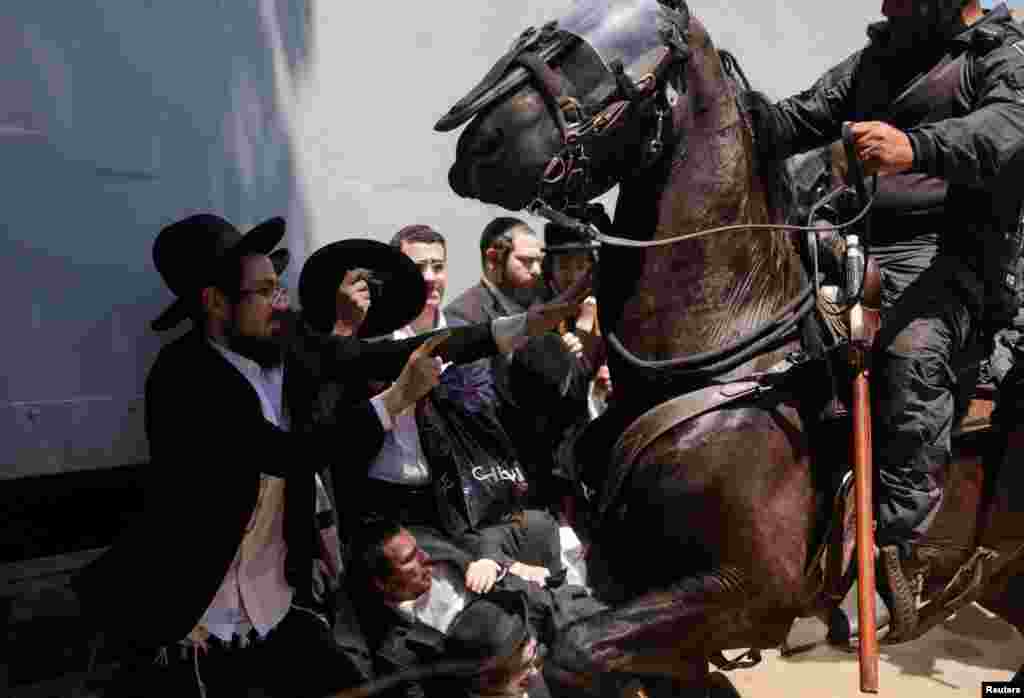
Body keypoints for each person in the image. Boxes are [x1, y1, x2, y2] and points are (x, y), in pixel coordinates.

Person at [75, 214, 436, 698]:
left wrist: (511, 328)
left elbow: (371, 359)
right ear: (216, 301)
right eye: (265, 290)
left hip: (273, 603)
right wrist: (394, 400)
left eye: (277, 285)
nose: (280, 300)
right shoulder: (187, 375)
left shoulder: (277, 353)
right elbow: (285, 453)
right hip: (198, 617)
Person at [752, 0, 1024, 633]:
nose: (883, 5)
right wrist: (713, 107)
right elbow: (797, 118)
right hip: (851, 244)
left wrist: (914, 146)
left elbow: (1010, 128)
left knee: (911, 354)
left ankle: (896, 554)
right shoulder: (881, 57)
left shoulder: (998, 57)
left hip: (950, 258)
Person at [293, 235, 590, 551]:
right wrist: (395, 395)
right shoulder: (308, 352)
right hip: (364, 514)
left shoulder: (385, 350)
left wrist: (528, 324)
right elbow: (329, 435)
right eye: (355, 282)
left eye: (438, 266)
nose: (430, 277)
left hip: (442, 500)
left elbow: (451, 344)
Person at [346, 520, 605, 698]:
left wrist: (491, 561)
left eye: (417, 548)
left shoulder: (428, 545)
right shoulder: (394, 654)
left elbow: (483, 536)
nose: (425, 557)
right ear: (383, 583)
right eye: (409, 560)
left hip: (547, 621)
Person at [446, 218, 591, 513]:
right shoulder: (464, 316)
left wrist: (567, 359)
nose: (537, 270)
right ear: (492, 259)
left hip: (558, 467)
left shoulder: (541, 305)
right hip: (507, 472)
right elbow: (477, 405)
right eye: (526, 262)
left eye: (539, 261)